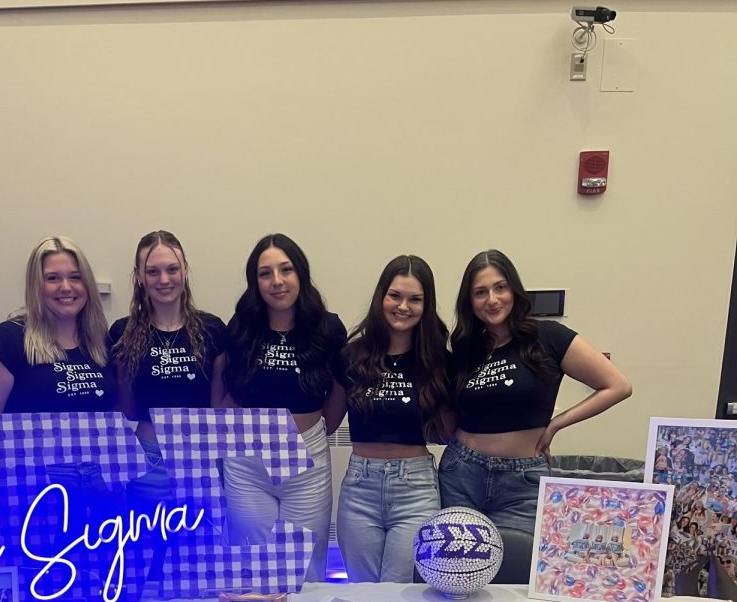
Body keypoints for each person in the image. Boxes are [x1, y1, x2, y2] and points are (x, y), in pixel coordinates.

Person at [439, 250, 631, 533]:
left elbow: (618, 386)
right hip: (462, 474)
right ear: (470, 301)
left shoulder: (548, 336)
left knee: (518, 568)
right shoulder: (465, 348)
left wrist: (555, 425)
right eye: (480, 292)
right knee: (459, 570)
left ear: (514, 290)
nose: (492, 299)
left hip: (522, 480)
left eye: (500, 288)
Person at [219, 233, 346, 581]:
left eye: (285, 269)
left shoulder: (328, 328)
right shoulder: (241, 328)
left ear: (300, 274)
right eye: (265, 273)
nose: (276, 281)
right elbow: (227, 391)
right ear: (254, 281)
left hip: (306, 460)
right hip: (248, 464)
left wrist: (314, 432)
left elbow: (338, 391)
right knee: (251, 568)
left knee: (304, 568)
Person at [331, 255, 451, 582]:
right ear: (381, 297)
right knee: (362, 591)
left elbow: (447, 432)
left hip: (416, 488)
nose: (403, 306)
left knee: (402, 591)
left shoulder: (438, 360)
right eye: (395, 296)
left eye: (415, 299)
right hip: (360, 487)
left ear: (426, 306)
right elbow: (327, 422)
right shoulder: (352, 356)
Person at [0, 235, 115, 493]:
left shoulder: (101, 342)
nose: (66, 287)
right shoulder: (8, 339)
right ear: (37, 286)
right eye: (53, 278)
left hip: (97, 484)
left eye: (75, 277)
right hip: (32, 485)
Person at [110, 229, 227, 480]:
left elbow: (218, 405)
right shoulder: (122, 332)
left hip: (202, 457)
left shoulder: (213, 328)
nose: (164, 280)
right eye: (153, 271)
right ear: (139, 276)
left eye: (172, 269)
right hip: (147, 458)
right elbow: (127, 408)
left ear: (185, 270)